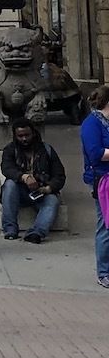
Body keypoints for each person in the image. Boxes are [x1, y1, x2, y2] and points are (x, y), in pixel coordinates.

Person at [0, 120, 66, 243]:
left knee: (53, 201)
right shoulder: (10, 149)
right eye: (20, 136)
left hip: (41, 192)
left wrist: (49, 188)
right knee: (9, 185)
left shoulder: (47, 150)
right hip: (19, 191)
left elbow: (59, 176)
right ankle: (10, 229)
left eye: (27, 135)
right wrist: (24, 177)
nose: (24, 139)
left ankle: (37, 233)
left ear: (33, 134)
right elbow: (7, 169)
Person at [79, 85, 109, 288]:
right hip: (103, 178)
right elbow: (95, 153)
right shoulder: (92, 123)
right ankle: (104, 272)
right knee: (106, 225)